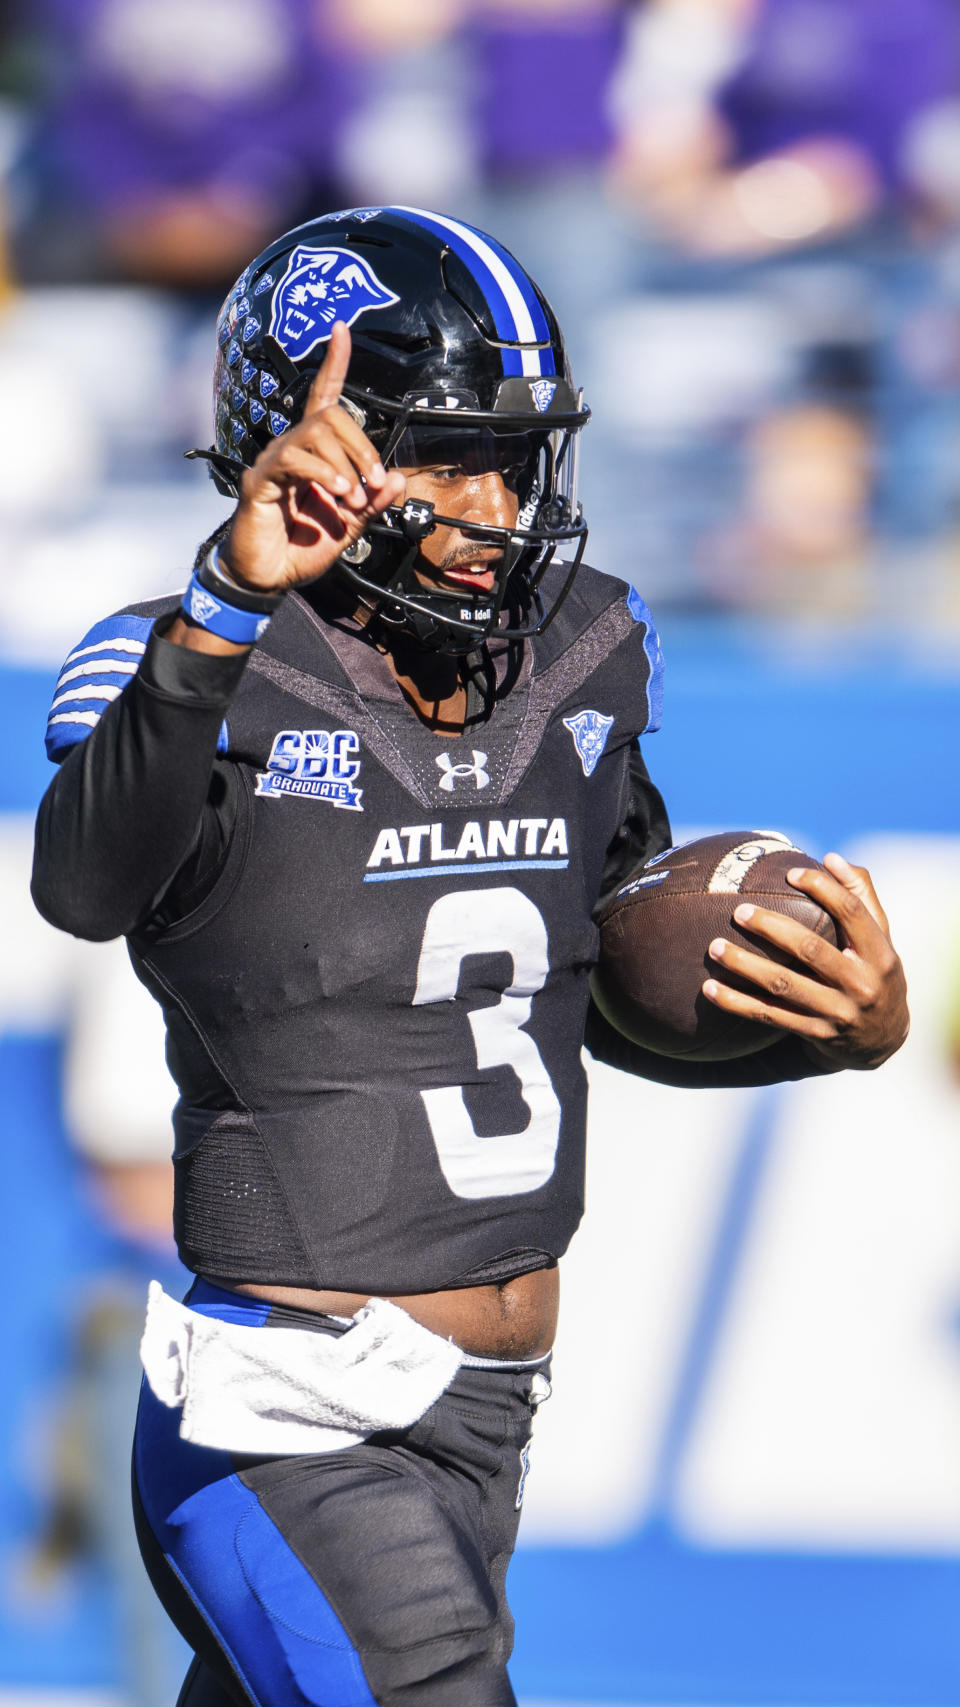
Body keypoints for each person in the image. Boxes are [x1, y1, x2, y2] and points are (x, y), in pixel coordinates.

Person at [31, 206, 908, 1707]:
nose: (492, 503)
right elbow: (86, 885)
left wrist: (821, 1021)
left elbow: (570, 988)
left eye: (511, 458)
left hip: (488, 1418)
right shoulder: (188, 655)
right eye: (441, 457)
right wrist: (225, 608)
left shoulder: (574, 653)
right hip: (284, 1411)